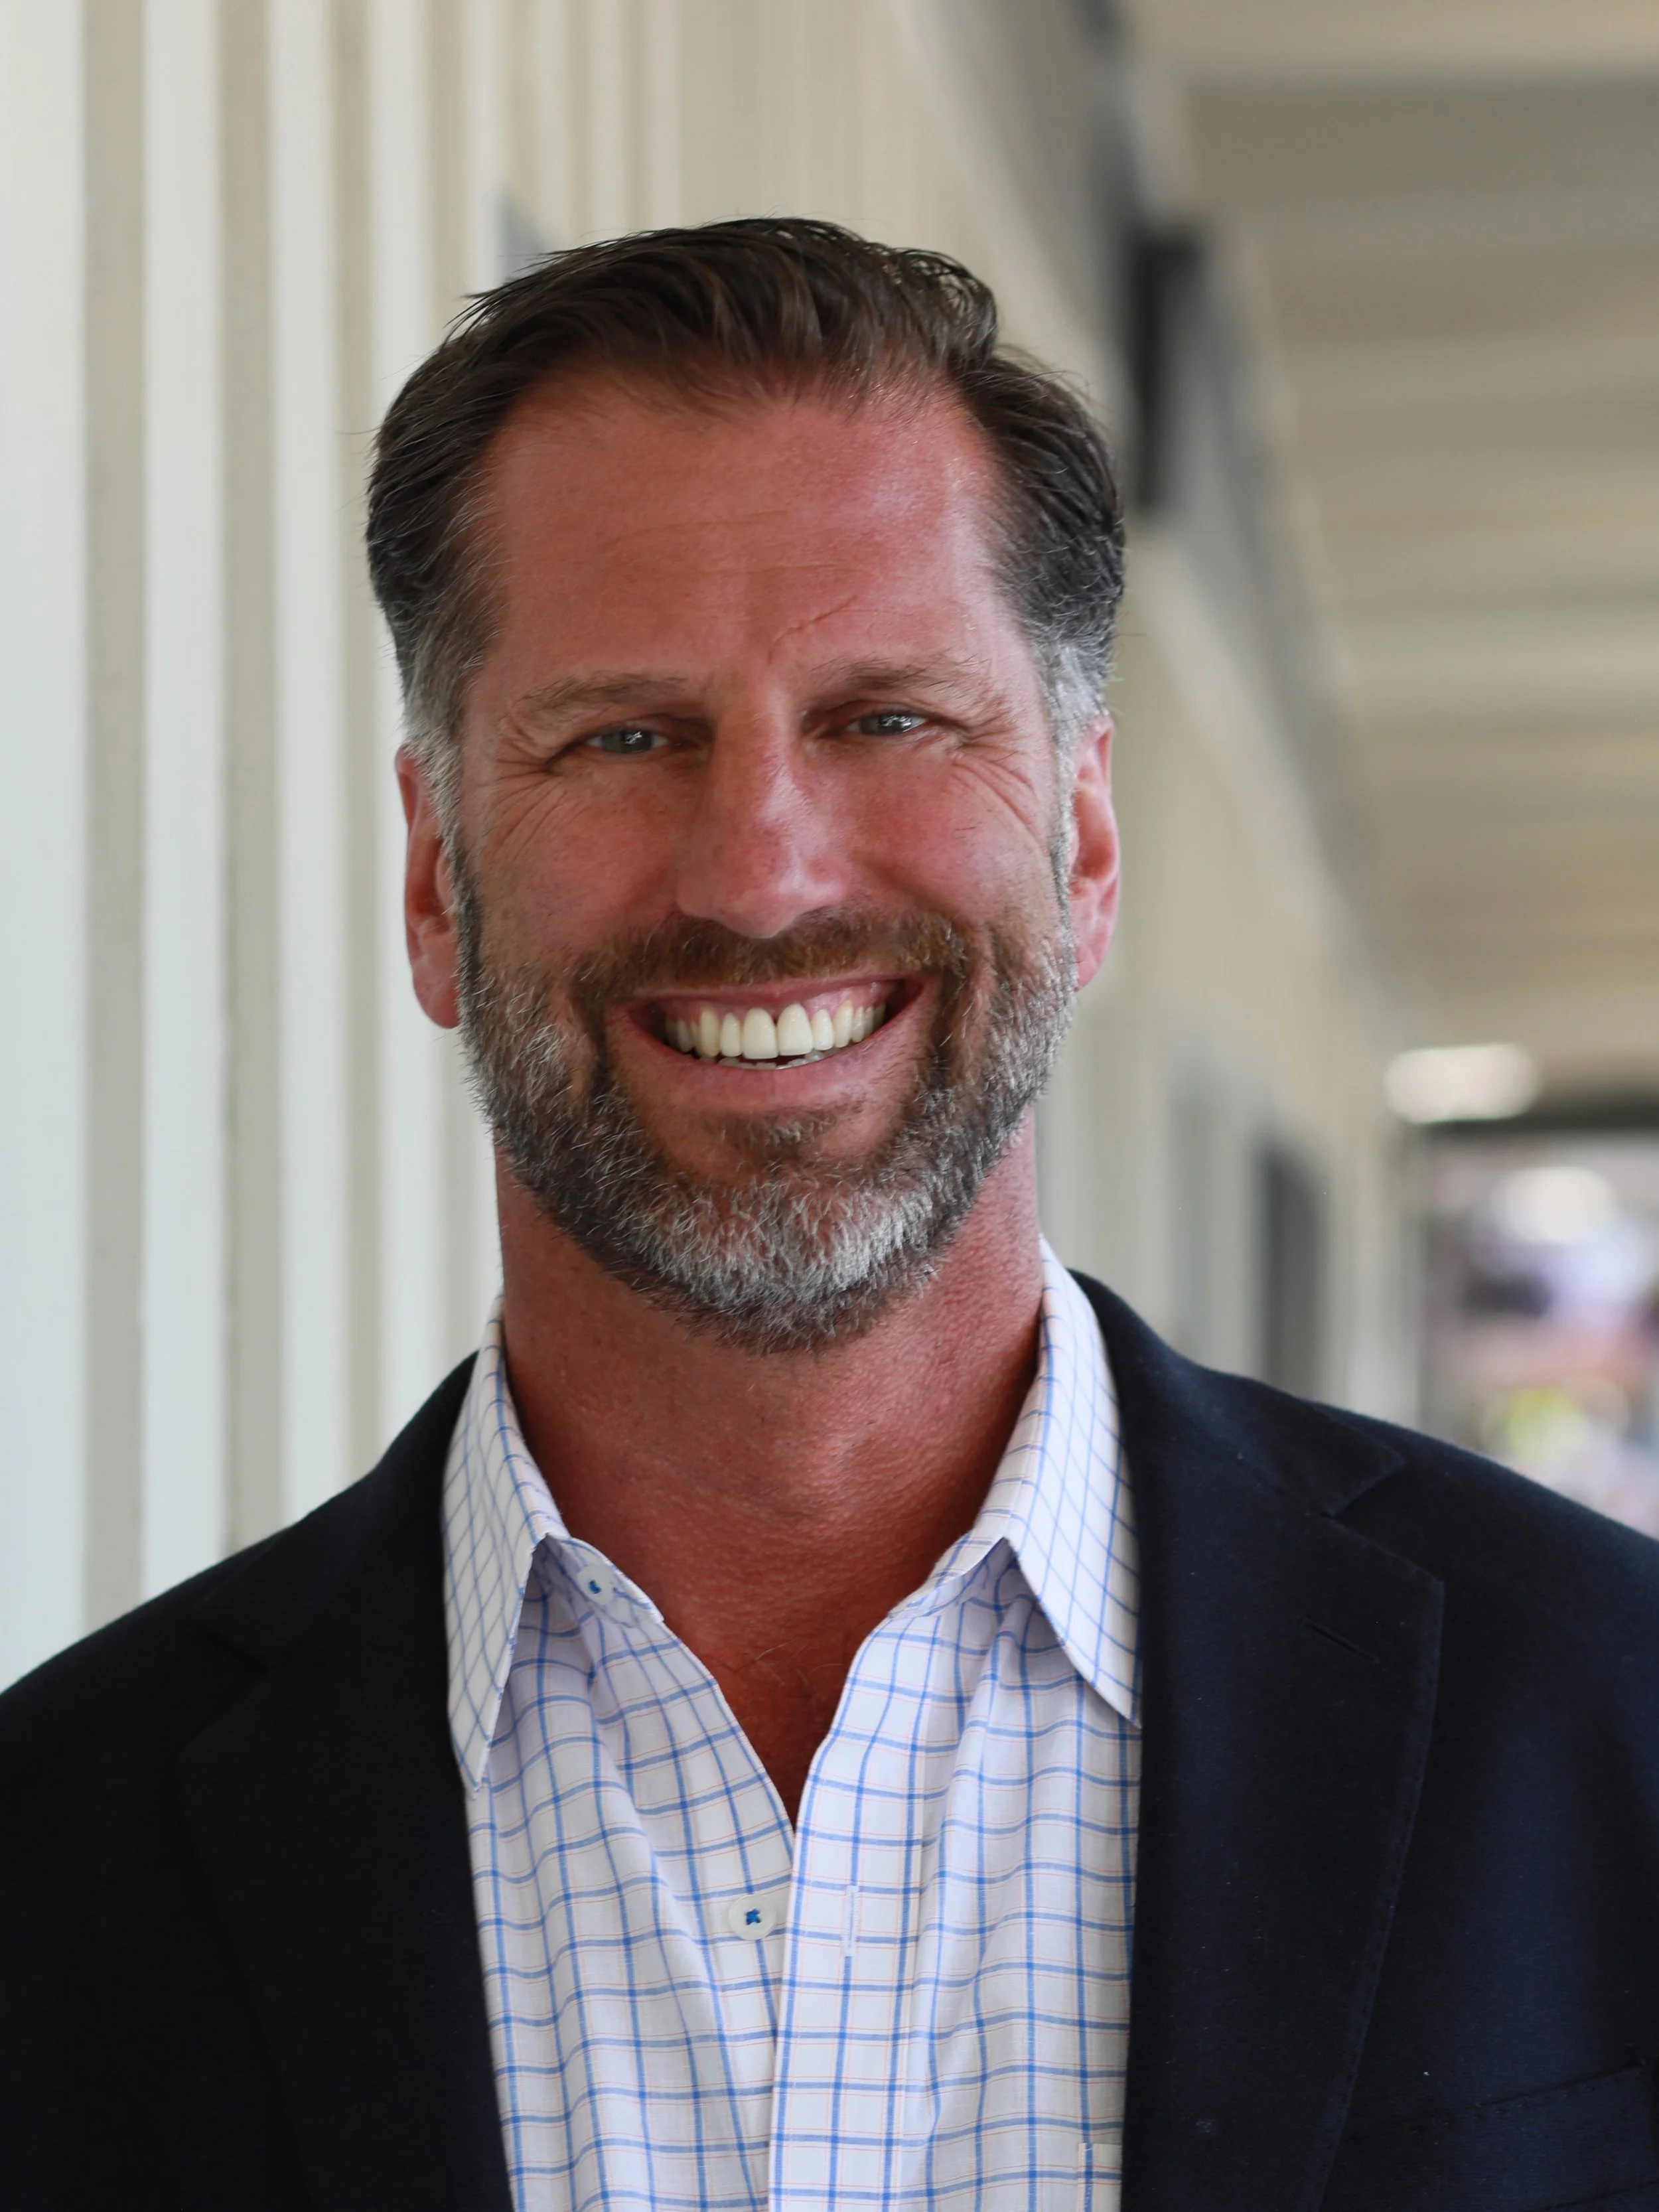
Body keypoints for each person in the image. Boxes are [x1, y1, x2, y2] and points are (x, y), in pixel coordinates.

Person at [3, 219, 1658, 2212]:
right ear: (437, 877)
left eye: (887, 718)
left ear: (1084, 836)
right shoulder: (52, 1862)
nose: (762, 873)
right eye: (623, 736)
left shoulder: (1600, 1724)